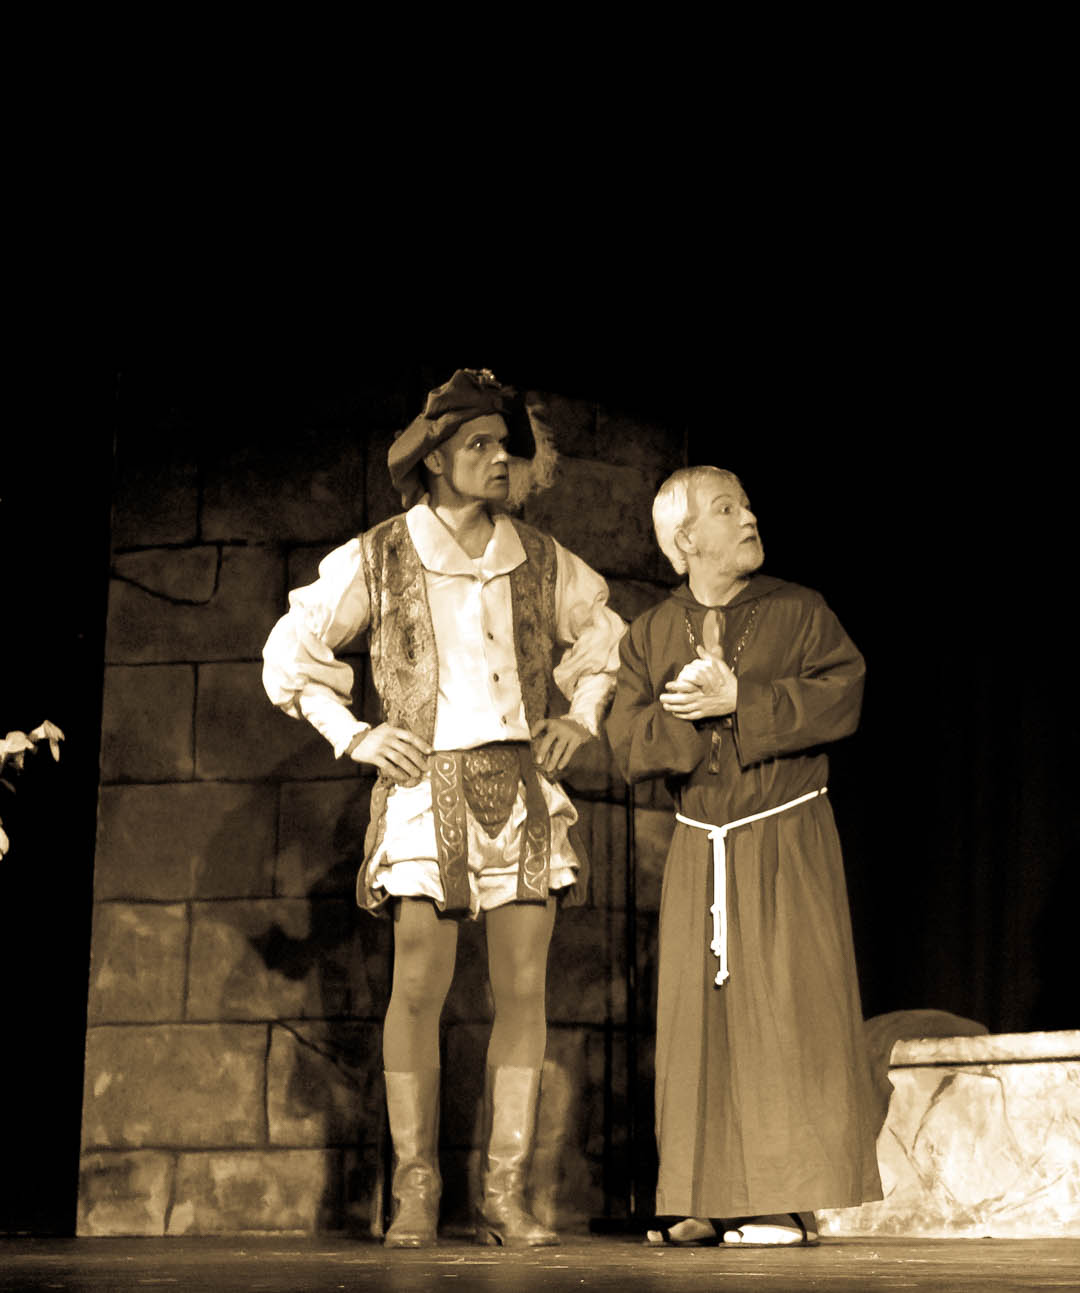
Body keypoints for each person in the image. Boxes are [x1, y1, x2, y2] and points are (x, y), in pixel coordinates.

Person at [261, 369, 625, 1248]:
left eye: (504, 445)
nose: (499, 460)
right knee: (418, 987)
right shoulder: (383, 554)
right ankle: (416, 1190)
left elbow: (602, 634)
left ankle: (504, 1193)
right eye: (479, 445)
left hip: (520, 788)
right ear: (434, 458)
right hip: (430, 789)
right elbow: (292, 647)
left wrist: (581, 717)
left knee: (524, 990)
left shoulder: (538, 557)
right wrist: (354, 734)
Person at [604, 466, 879, 1248]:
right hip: (703, 847)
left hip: (786, 837)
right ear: (686, 538)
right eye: (728, 508)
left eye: (748, 504)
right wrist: (690, 717)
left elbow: (844, 692)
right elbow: (626, 740)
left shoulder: (800, 609)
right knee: (701, 1026)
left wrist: (741, 702)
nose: (750, 516)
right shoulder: (651, 633)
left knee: (787, 1014)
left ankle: (784, 1201)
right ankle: (706, 1194)